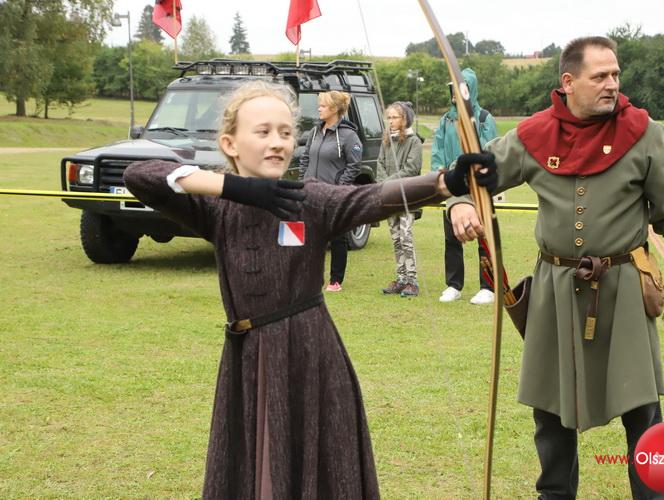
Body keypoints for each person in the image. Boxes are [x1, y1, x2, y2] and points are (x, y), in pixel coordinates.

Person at [123, 80, 473, 499]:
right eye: (263, 132)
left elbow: (372, 197)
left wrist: (445, 183)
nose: (277, 142)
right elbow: (139, 176)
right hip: (246, 357)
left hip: (309, 355)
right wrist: (235, 187)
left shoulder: (308, 199)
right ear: (230, 144)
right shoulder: (216, 206)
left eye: (286, 132)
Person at [447, 37, 664, 499]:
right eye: (600, 76)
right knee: (549, 408)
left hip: (624, 287)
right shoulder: (533, 134)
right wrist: (460, 202)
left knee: (642, 407)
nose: (612, 84)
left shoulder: (643, 132)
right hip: (555, 289)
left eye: (616, 75)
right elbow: (475, 175)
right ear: (569, 82)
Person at [431, 68, 498, 304]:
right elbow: (438, 151)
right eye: (453, 88)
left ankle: (488, 286)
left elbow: (491, 151)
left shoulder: (484, 118)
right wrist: (441, 175)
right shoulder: (446, 120)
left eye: (460, 88)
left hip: (478, 187)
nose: (455, 93)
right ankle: (453, 285)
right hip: (452, 185)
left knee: (484, 236)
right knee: (452, 237)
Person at [298, 90, 362, 292]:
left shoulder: (349, 136)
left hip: (334, 195)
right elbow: (305, 158)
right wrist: (303, 182)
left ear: (334, 109)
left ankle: (335, 281)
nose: (319, 109)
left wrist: (339, 187)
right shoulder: (315, 131)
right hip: (311, 193)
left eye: (323, 106)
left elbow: (354, 165)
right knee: (310, 237)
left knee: (337, 237)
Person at [376, 101, 423, 297]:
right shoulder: (387, 140)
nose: (391, 121)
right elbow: (379, 163)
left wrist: (387, 183)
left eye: (395, 117)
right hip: (390, 197)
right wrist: (382, 185)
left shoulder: (414, 141)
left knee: (406, 238)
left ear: (404, 119)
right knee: (396, 239)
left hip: (407, 198)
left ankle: (412, 281)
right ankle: (401, 279)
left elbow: (411, 169)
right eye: (389, 117)